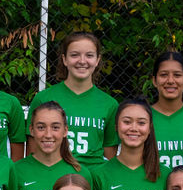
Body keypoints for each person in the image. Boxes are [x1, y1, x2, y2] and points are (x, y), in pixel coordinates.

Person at [29, 32, 118, 171]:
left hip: (92, 178)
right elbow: (33, 153)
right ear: (64, 59)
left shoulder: (109, 104)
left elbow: (109, 157)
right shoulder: (43, 99)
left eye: (89, 55)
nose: (82, 61)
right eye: (75, 55)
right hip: (54, 176)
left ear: (97, 60)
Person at [9, 100, 80, 190]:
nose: (48, 134)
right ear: (31, 130)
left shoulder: (79, 173)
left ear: (65, 131)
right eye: (41, 127)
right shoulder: (16, 170)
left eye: (55, 127)